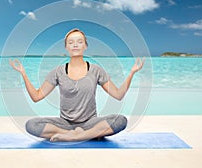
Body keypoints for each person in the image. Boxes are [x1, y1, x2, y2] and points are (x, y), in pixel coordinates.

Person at [9, 28, 145, 142]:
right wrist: (24, 74)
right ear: (66, 47)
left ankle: (77, 137)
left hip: (90, 123)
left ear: (85, 46)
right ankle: (86, 135)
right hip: (64, 125)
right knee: (31, 125)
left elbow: (118, 95)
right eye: (71, 42)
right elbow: (36, 96)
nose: (75, 45)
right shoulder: (57, 72)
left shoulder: (96, 70)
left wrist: (132, 73)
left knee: (120, 120)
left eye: (80, 42)